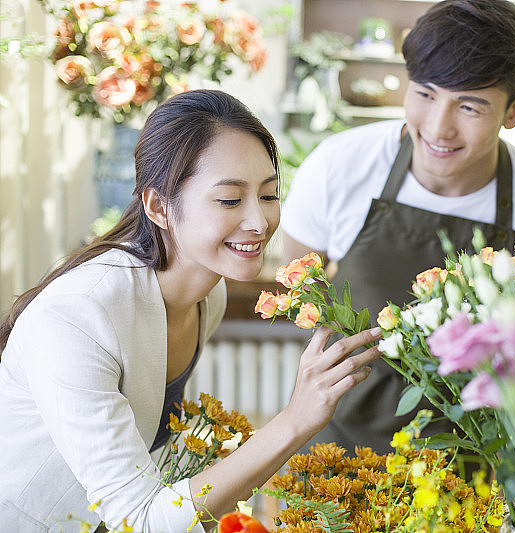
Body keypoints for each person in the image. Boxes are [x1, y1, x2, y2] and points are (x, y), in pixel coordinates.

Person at [0, 89, 381, 532]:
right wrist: (296, 419)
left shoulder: (208, 295)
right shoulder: (79, 316)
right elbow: (141, 521)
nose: (259, 222)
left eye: (269, 195)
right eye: (230, 200)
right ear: (158, 206)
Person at [281, 0, 515, 457]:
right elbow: (300, 291)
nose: (439, 127)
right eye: (424, 94)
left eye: (470, 106)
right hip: (337, 453)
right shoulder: (337, 168)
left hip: (475, 473)